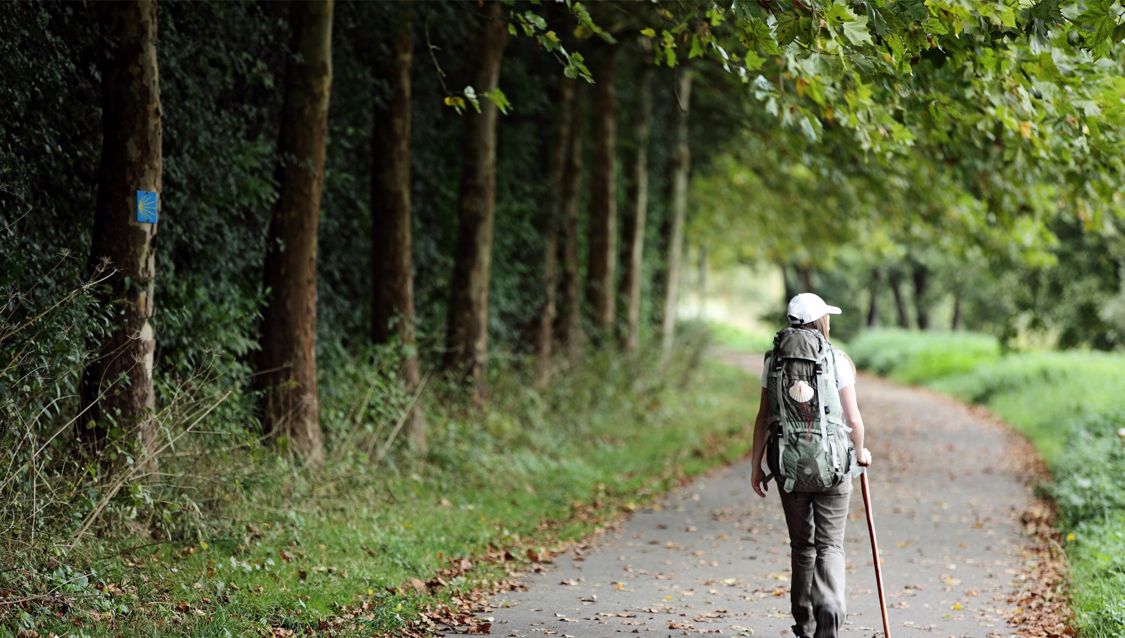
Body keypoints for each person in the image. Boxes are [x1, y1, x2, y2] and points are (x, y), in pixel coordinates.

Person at [750, 293, 872, 638]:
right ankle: (830, 606)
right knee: (830, 545)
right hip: (833, 465)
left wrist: (756, 467)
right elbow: (854, 419)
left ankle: (805, 623)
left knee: (802, 545)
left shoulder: (772, 362)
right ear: (821, 322)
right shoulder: (837, 359)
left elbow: (763, 418)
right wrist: (860, 452)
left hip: (788, 467)